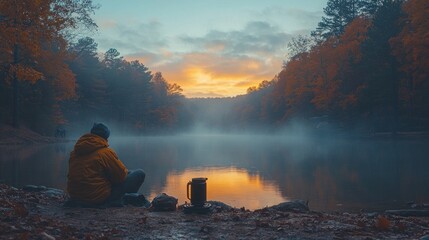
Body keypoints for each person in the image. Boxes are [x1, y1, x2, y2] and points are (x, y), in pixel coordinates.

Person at [67, 123, 147, 207]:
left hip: (75, 196)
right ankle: (122, 200)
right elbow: (121, 177)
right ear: (106, 137)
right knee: (139, 173)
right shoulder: (105, 152)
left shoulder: (75, 152)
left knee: (128, 172)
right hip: (95, 198)